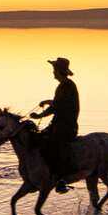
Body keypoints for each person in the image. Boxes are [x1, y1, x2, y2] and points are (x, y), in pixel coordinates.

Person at [30, 57, 79, 191]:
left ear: (59, 71)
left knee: (53, 146)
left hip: (67, 126)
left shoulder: (68, 85)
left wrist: (47, 101)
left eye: (54, 69)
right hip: (58, 124)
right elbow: (54, 108)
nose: (53, 72)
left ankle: (61, 178)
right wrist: (39, 116)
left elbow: (60, 105)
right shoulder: (62, 86)